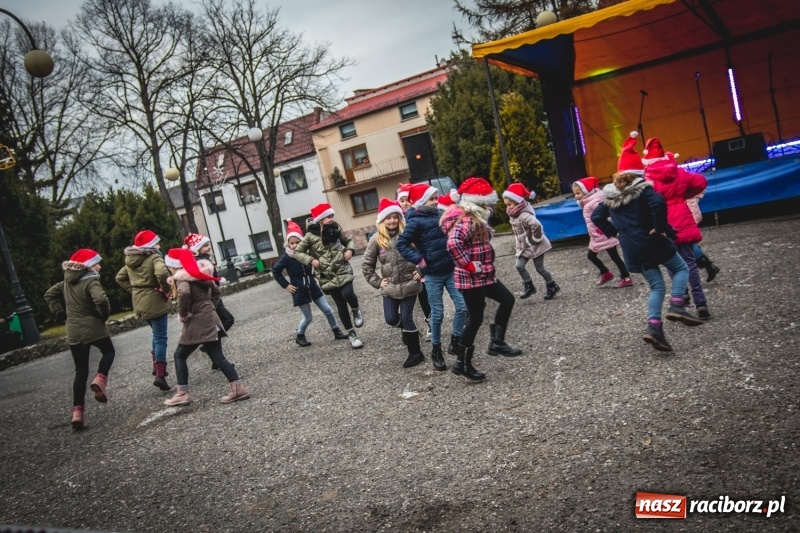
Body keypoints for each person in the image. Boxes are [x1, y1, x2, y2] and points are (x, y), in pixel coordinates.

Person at [591, 170, 704, 352]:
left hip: (632, 248)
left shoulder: (610, 197)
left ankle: (654, 328)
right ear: (637, 178)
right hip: (652, 241)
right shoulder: (643, 190)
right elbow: (658, 203)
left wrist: (615, 232)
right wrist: (659, 228)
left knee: (657, 286)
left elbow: (596, 216)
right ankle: (677, 304)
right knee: (681, 268)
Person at [441, 177, 523, 382]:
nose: (489, 206)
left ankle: (497, 342)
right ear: (476, 202)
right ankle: (462, 363)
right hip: (471, 278)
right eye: (486, 202)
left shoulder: (477, 217)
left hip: (484, 275)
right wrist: (468, 265)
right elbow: (453, 244)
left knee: (507, 300)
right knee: (476, 317)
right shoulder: (469, 219)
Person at [163, 249, 249, 406]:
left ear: (174, 265)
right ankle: (238, 388)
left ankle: (182, 393)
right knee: (217, 356)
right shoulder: (200, 275)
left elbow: (184, 293)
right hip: (210, 319)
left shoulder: (182, 278)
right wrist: (209, 307)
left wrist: (184, 314)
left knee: (179, 355)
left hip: (197, 322)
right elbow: (216, 290)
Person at [398, 183, 468, 371]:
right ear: (422, 201)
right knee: (437, 314)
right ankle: (436, 349)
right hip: (432, 274)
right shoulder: (415, 221)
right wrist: (419, 260)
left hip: (450, 269)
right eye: (431, 199)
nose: (436, 201)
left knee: (462, 307)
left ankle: (455, 340)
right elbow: (402, 244)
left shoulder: (440, 214)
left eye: (436, 198)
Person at [45, 249, 115, 430]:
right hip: (94, 328)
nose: (100, 266)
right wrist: (103, 315)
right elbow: (100, 299)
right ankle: (100, 379)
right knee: (108, 352)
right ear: (89, 265)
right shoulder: (91, 281)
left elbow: (49, 295)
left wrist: (59, 312)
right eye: (97, 263)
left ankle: (78, 413)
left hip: (74, 332)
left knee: (80, 371)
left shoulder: (66, 283)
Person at [641, 137, 711, 319]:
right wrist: (684, 195)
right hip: (683, 219)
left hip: (663, 223)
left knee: (671, 263)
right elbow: (701, 182)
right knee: (690, 264)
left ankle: (682, 295)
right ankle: (701, 303)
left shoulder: (648, 179)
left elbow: (645, 203)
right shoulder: (679, 172)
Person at [362, 199, 425, 368]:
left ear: (399, 217)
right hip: (389, 288)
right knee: (391, 319)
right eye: (388, 218)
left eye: (395, 217)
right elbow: (366, 265)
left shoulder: (409, 233)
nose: (392, 221)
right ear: (382, 220)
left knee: (406, 317)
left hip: (410, 284)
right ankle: (409, 331)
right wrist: (377, 281)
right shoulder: (376, 239)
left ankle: (415, 353)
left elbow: (424, 252)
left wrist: (420, 271)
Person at [293, 203, 364, 349]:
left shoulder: (336, 229)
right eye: (328, 217)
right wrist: (312, 260)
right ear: (320, 219)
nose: (331, 219)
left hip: (342, 269)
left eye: (332, 216)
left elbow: (348, 241)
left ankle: (356, 310)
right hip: (326, 275)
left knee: (348, 293)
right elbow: (297, 252)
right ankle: (351, 334)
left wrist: (350, 249)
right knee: (340, 304)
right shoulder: (309, 236)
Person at [272, 219, 350, 346]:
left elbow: (315, 265)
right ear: (288, 244)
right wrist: (286, 285)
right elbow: (276, 271)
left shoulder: (306, 253)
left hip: (313, 286)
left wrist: (319, 275)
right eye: (291, 243)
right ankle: (300, 335)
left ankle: (336, 331)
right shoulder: (286, 257)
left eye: (297, 242)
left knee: (328, 310)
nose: (294, 245)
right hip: (299, 290)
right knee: (308, 317)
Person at [115, 229, 172, 391]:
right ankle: (160, 374)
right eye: (157, 242)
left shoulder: (131, 260)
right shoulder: (154, 257)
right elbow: (161, 273)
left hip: (139, 302)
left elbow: (119, 277)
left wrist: (135, 290)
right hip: (154, 300)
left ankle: (156, 366)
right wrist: (165, 289)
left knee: (156, 334)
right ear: (152, 245)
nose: (160, 245)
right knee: (161, 338)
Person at [502, 182, 561, 300]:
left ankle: (552, 285)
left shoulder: (524, 215)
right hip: (524, 247)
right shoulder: (514, 214)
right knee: (519, 266)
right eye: (506, 205)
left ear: (518, 202)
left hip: (536, 246)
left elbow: (537, 225)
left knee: (540, 269)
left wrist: (536, 238)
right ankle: (529, 286)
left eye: (510, 205)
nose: (508, 208)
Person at [184, 233, 234, 369]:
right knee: (228, 319)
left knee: (219, 325)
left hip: (214, 296)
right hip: (209, 299)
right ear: (197, 249)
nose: (208, 248)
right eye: (205, 246)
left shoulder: (205, 259)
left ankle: (214, 359)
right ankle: (210, 349)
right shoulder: (200, 262)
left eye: (208, 245)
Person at [572, 177, 633, 288]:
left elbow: (604, 216)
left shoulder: (594, 202)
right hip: (596, 235)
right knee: (592, 256)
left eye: (578, 193)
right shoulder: (588, 202)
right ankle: (606, 273)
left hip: (604, 234)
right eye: (575, 194)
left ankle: (626, 277)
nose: (576, 196)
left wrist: (604, 229)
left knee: (614, 256)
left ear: (586, 191)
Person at [686, 192, 721, 282]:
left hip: (685, 211)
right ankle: (709, 266)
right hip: (687, 209)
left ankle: (709, 266)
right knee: (688, 242)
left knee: (687, 242)